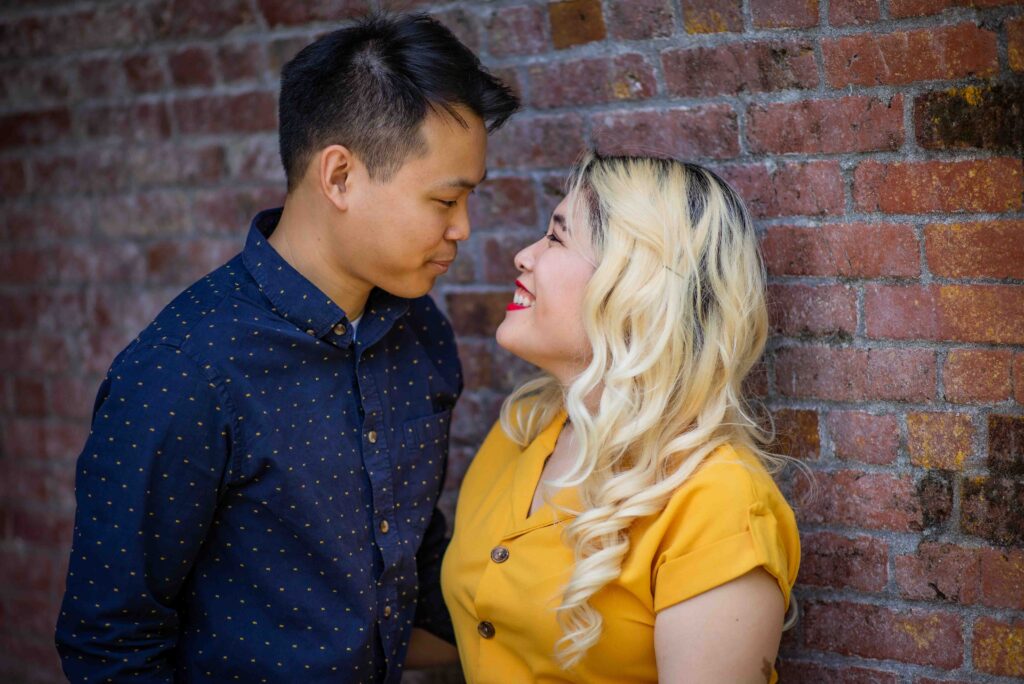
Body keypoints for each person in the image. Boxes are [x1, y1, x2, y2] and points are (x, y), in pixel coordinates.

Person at [54, 13, 518, 683]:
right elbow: (109, 642)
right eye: (446, 200)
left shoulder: (421, 335)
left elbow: (414, 565)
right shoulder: (185, 369)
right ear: (338, 177)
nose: (463, 229)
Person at [440, 153, 804, 683]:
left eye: (557, 238)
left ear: (635, 284)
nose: (524, 256)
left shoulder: (718, 503)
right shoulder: (519, 431)